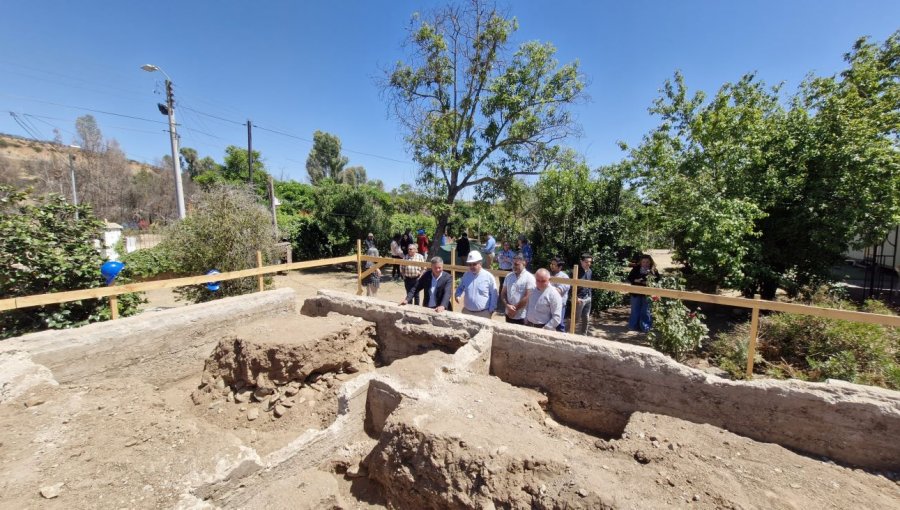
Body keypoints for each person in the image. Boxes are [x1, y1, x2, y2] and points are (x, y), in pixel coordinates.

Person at [454, 251, 497, 318]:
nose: (472, 266)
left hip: (483, 313)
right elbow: (460, 287)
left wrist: (491, 310)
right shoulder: (466, 275)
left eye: (474, 264)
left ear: (480, 263)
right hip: (467, 312)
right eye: (470, 264)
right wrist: (457, 295)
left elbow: (494, 294)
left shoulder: (489, 277)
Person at [627, 254, 659, 333]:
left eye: (647, 262)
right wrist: (636, 280)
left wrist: (648, 282)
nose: (645, 264)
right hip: (635, 292)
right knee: (635, 309)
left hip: (647, 294)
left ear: (650, 262)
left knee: (646, 310)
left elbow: (658, 280)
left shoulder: (653, 270)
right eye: (643, 262)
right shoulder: (636, 269)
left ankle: (645, 327)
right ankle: (633, 326)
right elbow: (630, 278)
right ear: (641, 262)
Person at [500, 255, 535, 325]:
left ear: (524, 264)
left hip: (522, 316)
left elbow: (528, 297)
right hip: (508, 313)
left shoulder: (529, 277)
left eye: (516, 264)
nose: (514, 266)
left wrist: (514, 309)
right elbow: (503, 293)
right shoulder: (508, 276)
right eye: (513, 264)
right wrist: (507, 306)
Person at [548, 257, 571, 332]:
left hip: (559, 305)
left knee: (559, 325)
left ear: (560, 267)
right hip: (548, 304)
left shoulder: (564, 277)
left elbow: (558, 291)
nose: (552, 266)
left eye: (554, 265)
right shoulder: (547, 274)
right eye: (551, 264)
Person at [574, 253, 593, 335]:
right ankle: (571, 334)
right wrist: (575, 297)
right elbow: (571, 287)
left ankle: (583, 334)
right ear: (581, 261)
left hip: (588, 297)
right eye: (586, 262)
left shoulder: (590, 271)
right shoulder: (575, 272)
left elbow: (590, 284)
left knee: (586, 317)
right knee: (576, 318)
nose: (588, 263)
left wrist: (590, 295)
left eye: (590, 262)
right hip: (579, 299)